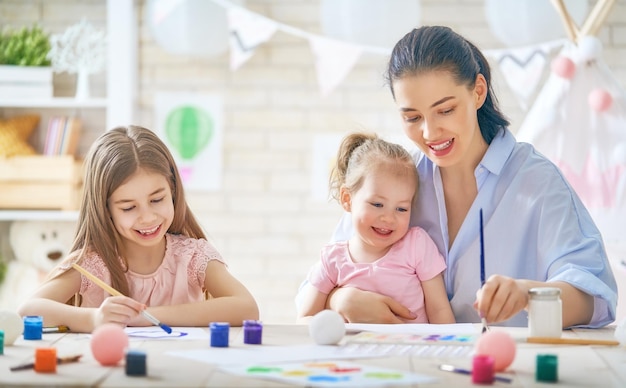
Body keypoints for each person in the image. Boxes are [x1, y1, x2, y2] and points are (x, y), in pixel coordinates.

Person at [297, 26, 617, 328]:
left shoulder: (536, 181)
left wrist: (527, 295)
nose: (429, 132)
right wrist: (340, 299)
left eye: (445, 110)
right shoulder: (396, 180)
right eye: (412, 117)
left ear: (477, 92)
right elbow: (324, 278)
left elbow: (595, 299)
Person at [18, 125, 259, 332]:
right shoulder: (94, 263)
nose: (147, 217)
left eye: (157, 200)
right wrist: (94, 318)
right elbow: (28, 311)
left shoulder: (192, 256)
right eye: (128, 207)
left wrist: (147, 316)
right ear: (106, 210)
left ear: (173, 192)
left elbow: (247, 307)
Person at [297, 132, 455, 324]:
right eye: (377, 204)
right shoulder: (332, 260)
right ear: (347, 199)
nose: (388, 218)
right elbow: (305, 318)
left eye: (401, 208)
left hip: (411, 352)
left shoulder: (417, 245)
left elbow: (439, 311)